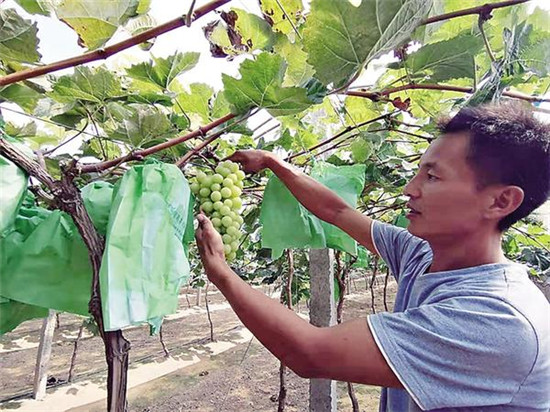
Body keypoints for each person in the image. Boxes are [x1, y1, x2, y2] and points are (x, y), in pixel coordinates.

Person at [195, 102, 550, 411]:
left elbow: (310, 353)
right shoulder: (420, 253)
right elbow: (337, 212)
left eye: (431, 176)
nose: (409, 189)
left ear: (501, 201)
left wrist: (221, 272)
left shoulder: (499, 319)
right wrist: (274, 163)